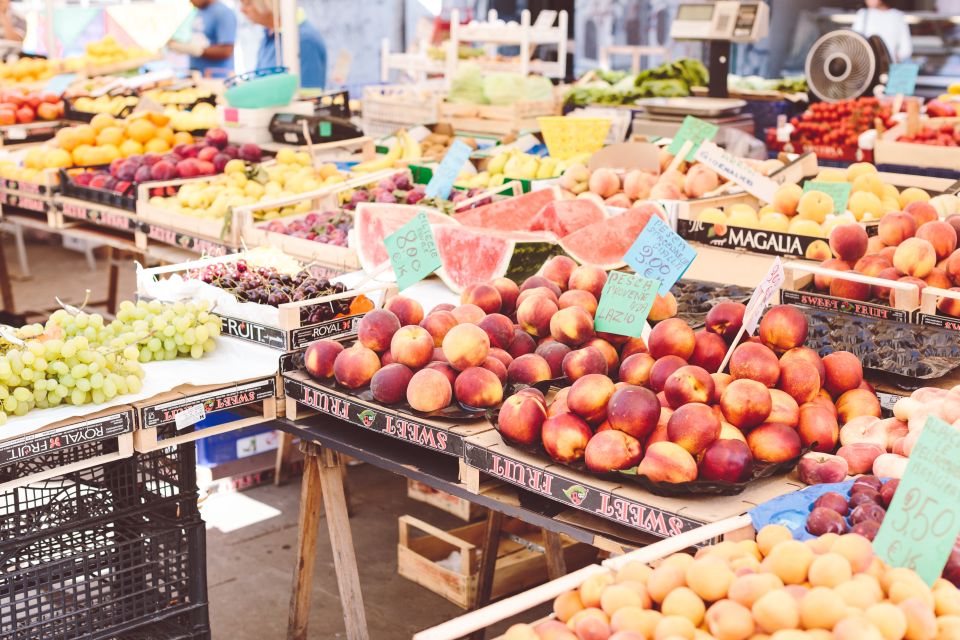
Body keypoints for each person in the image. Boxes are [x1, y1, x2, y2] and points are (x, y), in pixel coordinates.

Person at [239, 0, 326, 89]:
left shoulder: (305, 40)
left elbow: (309, 98)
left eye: (248, 4)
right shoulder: (268, 35)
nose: (241, 10)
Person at [171, 0, 237, 76]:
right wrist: (182, 46)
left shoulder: (224, 13)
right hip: (198, 75)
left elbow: (227, 51)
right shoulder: (198, 11)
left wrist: (199, 51)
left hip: (216, 79)